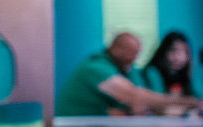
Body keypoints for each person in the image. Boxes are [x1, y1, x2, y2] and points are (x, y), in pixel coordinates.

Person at [57, 32, 200, 116]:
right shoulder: (95, 68)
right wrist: (189, 102)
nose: (134, 57)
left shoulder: (128, 70)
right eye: (131, 52)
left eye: (137, 53)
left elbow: (140, 105)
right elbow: (135, 96)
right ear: (115, 49)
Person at [141, 31, 198, 98]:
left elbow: (199, 98)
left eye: (184, 52)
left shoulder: (186, 74)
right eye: (173, 50)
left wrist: (190, 73)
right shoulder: (152, 72)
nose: (178, 58)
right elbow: (157, 101)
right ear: (163, 52)